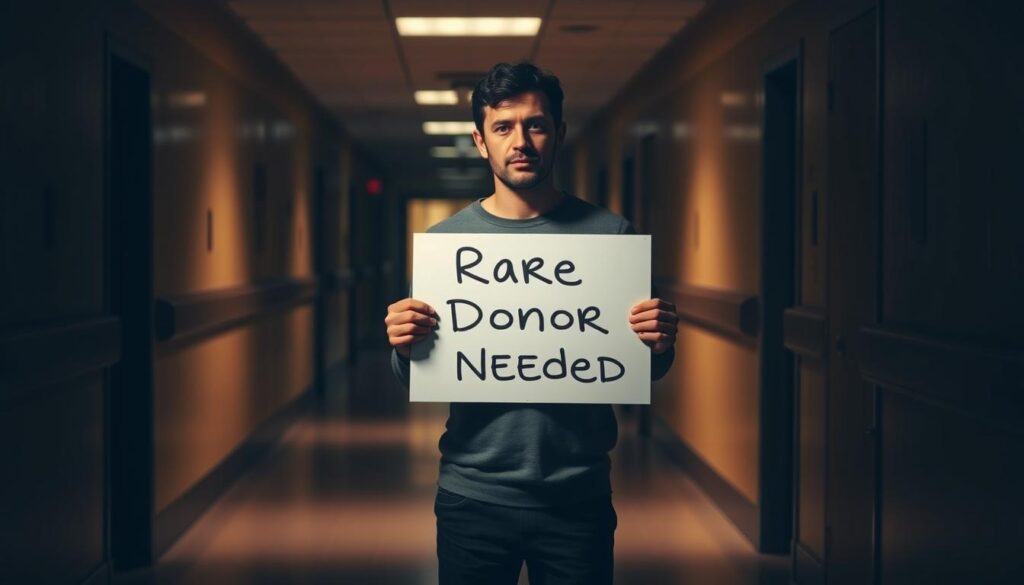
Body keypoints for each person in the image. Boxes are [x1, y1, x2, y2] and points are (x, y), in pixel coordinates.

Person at [384, 62, 678, 585]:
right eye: (503, 127)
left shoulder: (611, 239)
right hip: (472, 495)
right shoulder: (446, 247)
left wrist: (658, 342)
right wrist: (404, 346)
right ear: (480, 141)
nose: (521, 141)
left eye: (536, 124)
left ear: (559, 133)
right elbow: (419, 371)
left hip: (577, 496)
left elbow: (644, 368)